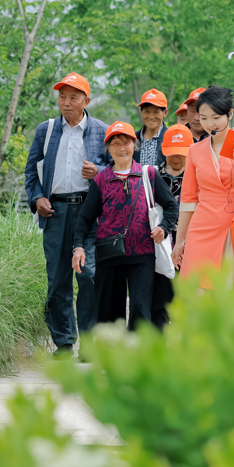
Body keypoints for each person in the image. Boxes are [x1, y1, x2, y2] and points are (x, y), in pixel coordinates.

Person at [24, 72, 111, 358]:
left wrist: (97, 172)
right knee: (58, 278)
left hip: (90, 213)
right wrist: (37, 198)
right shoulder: (45, 130)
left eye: (73, 97)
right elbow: (30, 171)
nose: (66, 102)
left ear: (86, 100)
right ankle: (63, 342)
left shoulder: (102, 130)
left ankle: (90, 342)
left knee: (88, 275)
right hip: (55, 212)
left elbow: (119, 170)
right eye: (62, 96)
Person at [71, 122, 177, 330]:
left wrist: (164, 227)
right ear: (108, 148)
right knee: (109, 313)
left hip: (143, 255)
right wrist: (78, 247)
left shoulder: (148, 175)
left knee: (139, 307)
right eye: (115, 143)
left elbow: (171, 206)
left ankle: (137, 357)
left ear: (134, 145)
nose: (121, 147)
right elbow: (85, 219)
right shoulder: (101, 180)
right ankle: (114, 359)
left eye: (126, 142)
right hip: (109, 256)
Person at [171, 86, 234, 288]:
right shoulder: (195, 150)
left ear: (230, 115)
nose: (209, 124)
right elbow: (187, 200)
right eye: (203, 118)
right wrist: (180, 241)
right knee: (197, 295)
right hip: (201, 226)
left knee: (230, 296)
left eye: (215, 117)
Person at [152, 123, 191, 328]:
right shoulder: (153, 175)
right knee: (161, 293)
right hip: (161, 242)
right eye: (172, 153)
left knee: (187, 293)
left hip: (190, 241)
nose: (176, 158)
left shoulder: (198, 174)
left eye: (181, 153)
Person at [134, 88, 168, 169]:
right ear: (141, 111)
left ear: (165, 113)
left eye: (156, 112)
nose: (151, 117)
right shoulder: (133, 138)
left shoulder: (170, 138)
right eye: (147, 111)